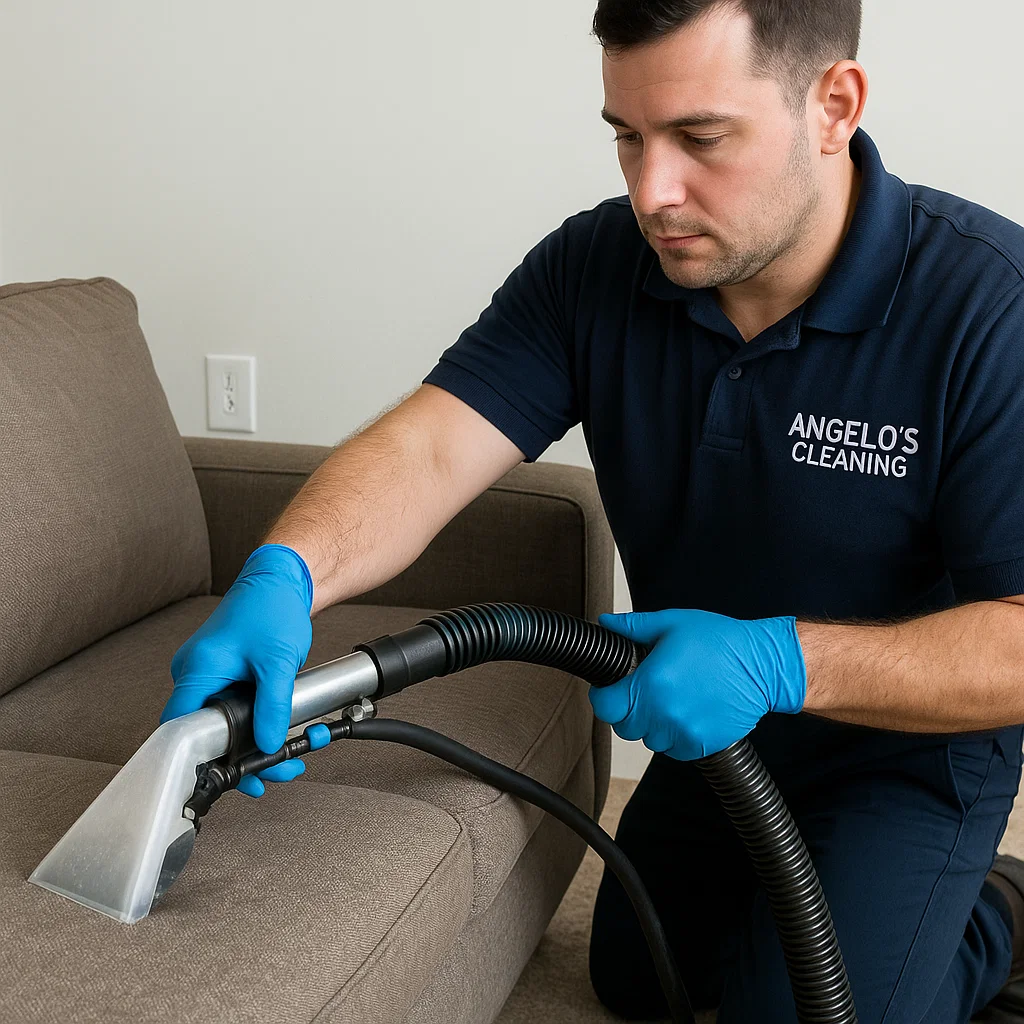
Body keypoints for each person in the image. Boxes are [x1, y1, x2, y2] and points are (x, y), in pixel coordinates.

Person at [160, 0, 1024, 1019]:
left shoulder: (987, 308)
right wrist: (287, 571)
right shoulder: (595, 267)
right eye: (627, 136)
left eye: (700, 138)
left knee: (798, 1006)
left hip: (906, 750)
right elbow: (430, 448)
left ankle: (997, 910)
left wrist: (783, 662)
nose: (652, 192)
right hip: (714, 732)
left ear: (832, 105)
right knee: (638, 976)